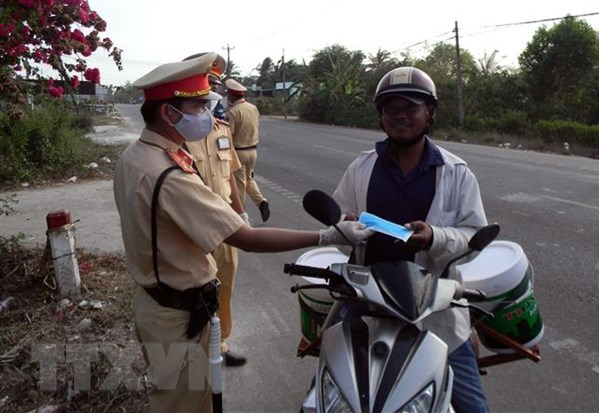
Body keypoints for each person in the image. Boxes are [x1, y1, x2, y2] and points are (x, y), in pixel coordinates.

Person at [113, 53, 373, 413]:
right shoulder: (169, 176)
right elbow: (246, 239)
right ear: (168, 113)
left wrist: (238, 205)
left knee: (183, 395)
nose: (207, 113)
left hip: (158, 303)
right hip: (177, 317)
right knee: (183, 404)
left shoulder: (134, 156)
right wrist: (327, 237)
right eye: (199, 106)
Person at [332, 66, 489, 413]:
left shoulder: (456, 172)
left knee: (473, 407)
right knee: (325, 395)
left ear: (430, 112)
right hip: (367, 302)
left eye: (411, 107)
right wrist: (347, 226)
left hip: (435, 310)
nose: (400, 115)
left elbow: (474, 235)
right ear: (380, 115)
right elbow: (338, 223)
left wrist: (435, 237)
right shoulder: (361, 168)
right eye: (391, 108)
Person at [183, 53, 248, 367]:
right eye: (203, 89)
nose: (209, 96)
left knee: (225, 285)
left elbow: (231, 174)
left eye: (212, 89)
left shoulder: (222, 129)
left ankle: (219, 343)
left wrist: (241, 211)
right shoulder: (178, 135)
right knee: (195, 290)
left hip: (226, 226)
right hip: (192, 230)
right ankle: (195, 348)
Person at [224, 78, 271, 222]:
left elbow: (228, 136)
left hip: (238, 152)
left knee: (239, 186)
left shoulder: (232, 112)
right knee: (249, 179)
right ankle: (261, 201)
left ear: (231, 96)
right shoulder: (253, 108)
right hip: (253, 151)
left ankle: (241, 218)